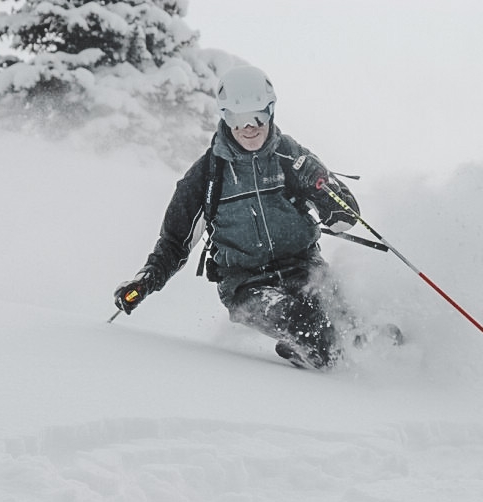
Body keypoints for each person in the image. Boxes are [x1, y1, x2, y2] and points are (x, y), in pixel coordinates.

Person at [113, 65, 362, 369]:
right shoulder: (207, 175)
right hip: (247, 286)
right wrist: (146, 282)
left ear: (270, 111)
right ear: (224, 117)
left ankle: (393, 361)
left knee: (353, 324)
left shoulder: (291, 156)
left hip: (305, 268)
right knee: (310, 326)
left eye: (257, 115)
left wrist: (322, 186)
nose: (249, 127)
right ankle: (311, 354)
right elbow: (175, 243)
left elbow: (346, 218)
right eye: (236, 118)